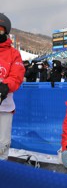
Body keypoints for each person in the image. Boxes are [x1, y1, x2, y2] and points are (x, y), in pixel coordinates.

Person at [0, 13, 25, 160]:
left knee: (2, 144)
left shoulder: (13, 54)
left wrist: (5, 86)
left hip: (4, 106)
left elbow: (17, 75)